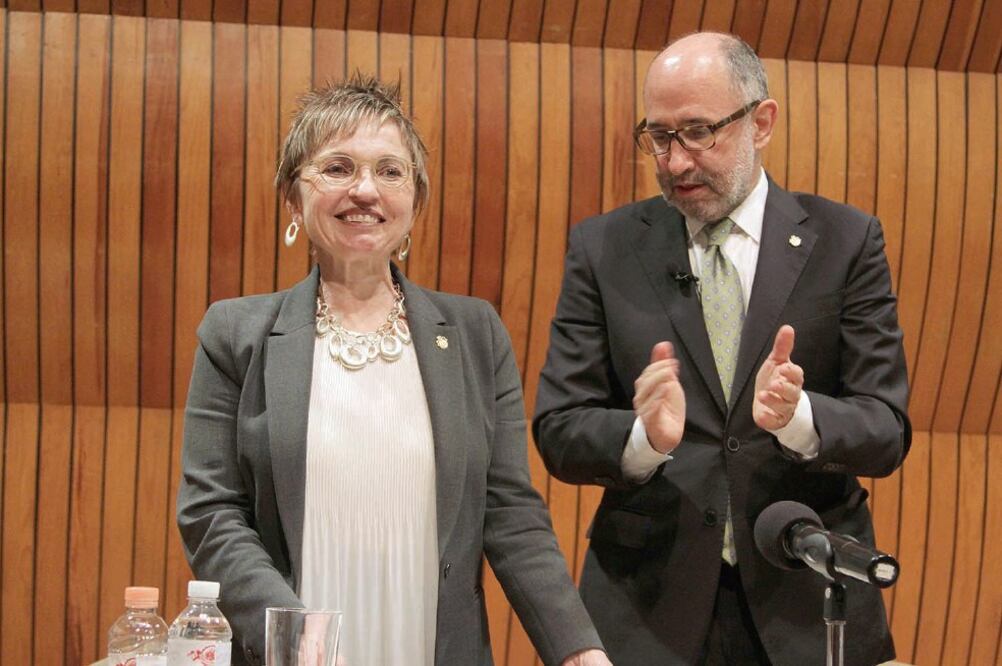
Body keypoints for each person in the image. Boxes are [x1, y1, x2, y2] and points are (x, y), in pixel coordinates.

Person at [177, 74, 610, 666]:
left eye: (390, 171)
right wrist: (297, 637)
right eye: (337, 168)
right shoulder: (234, 334)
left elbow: (510, 512)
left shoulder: (476, 334)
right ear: (292, 198)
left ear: (415, 202)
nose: (365, 190)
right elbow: (211, 513)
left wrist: (578, 649)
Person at [533, 32, 910, 666]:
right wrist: (643, 438)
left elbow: (886, 428)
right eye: (659, 136)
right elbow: (559, 428)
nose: (675, 162)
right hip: (647, 610)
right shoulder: (604, 248)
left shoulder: (846, 242)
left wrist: (798, 418)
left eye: (698, 132)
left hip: (805, 604)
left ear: (761, 123)